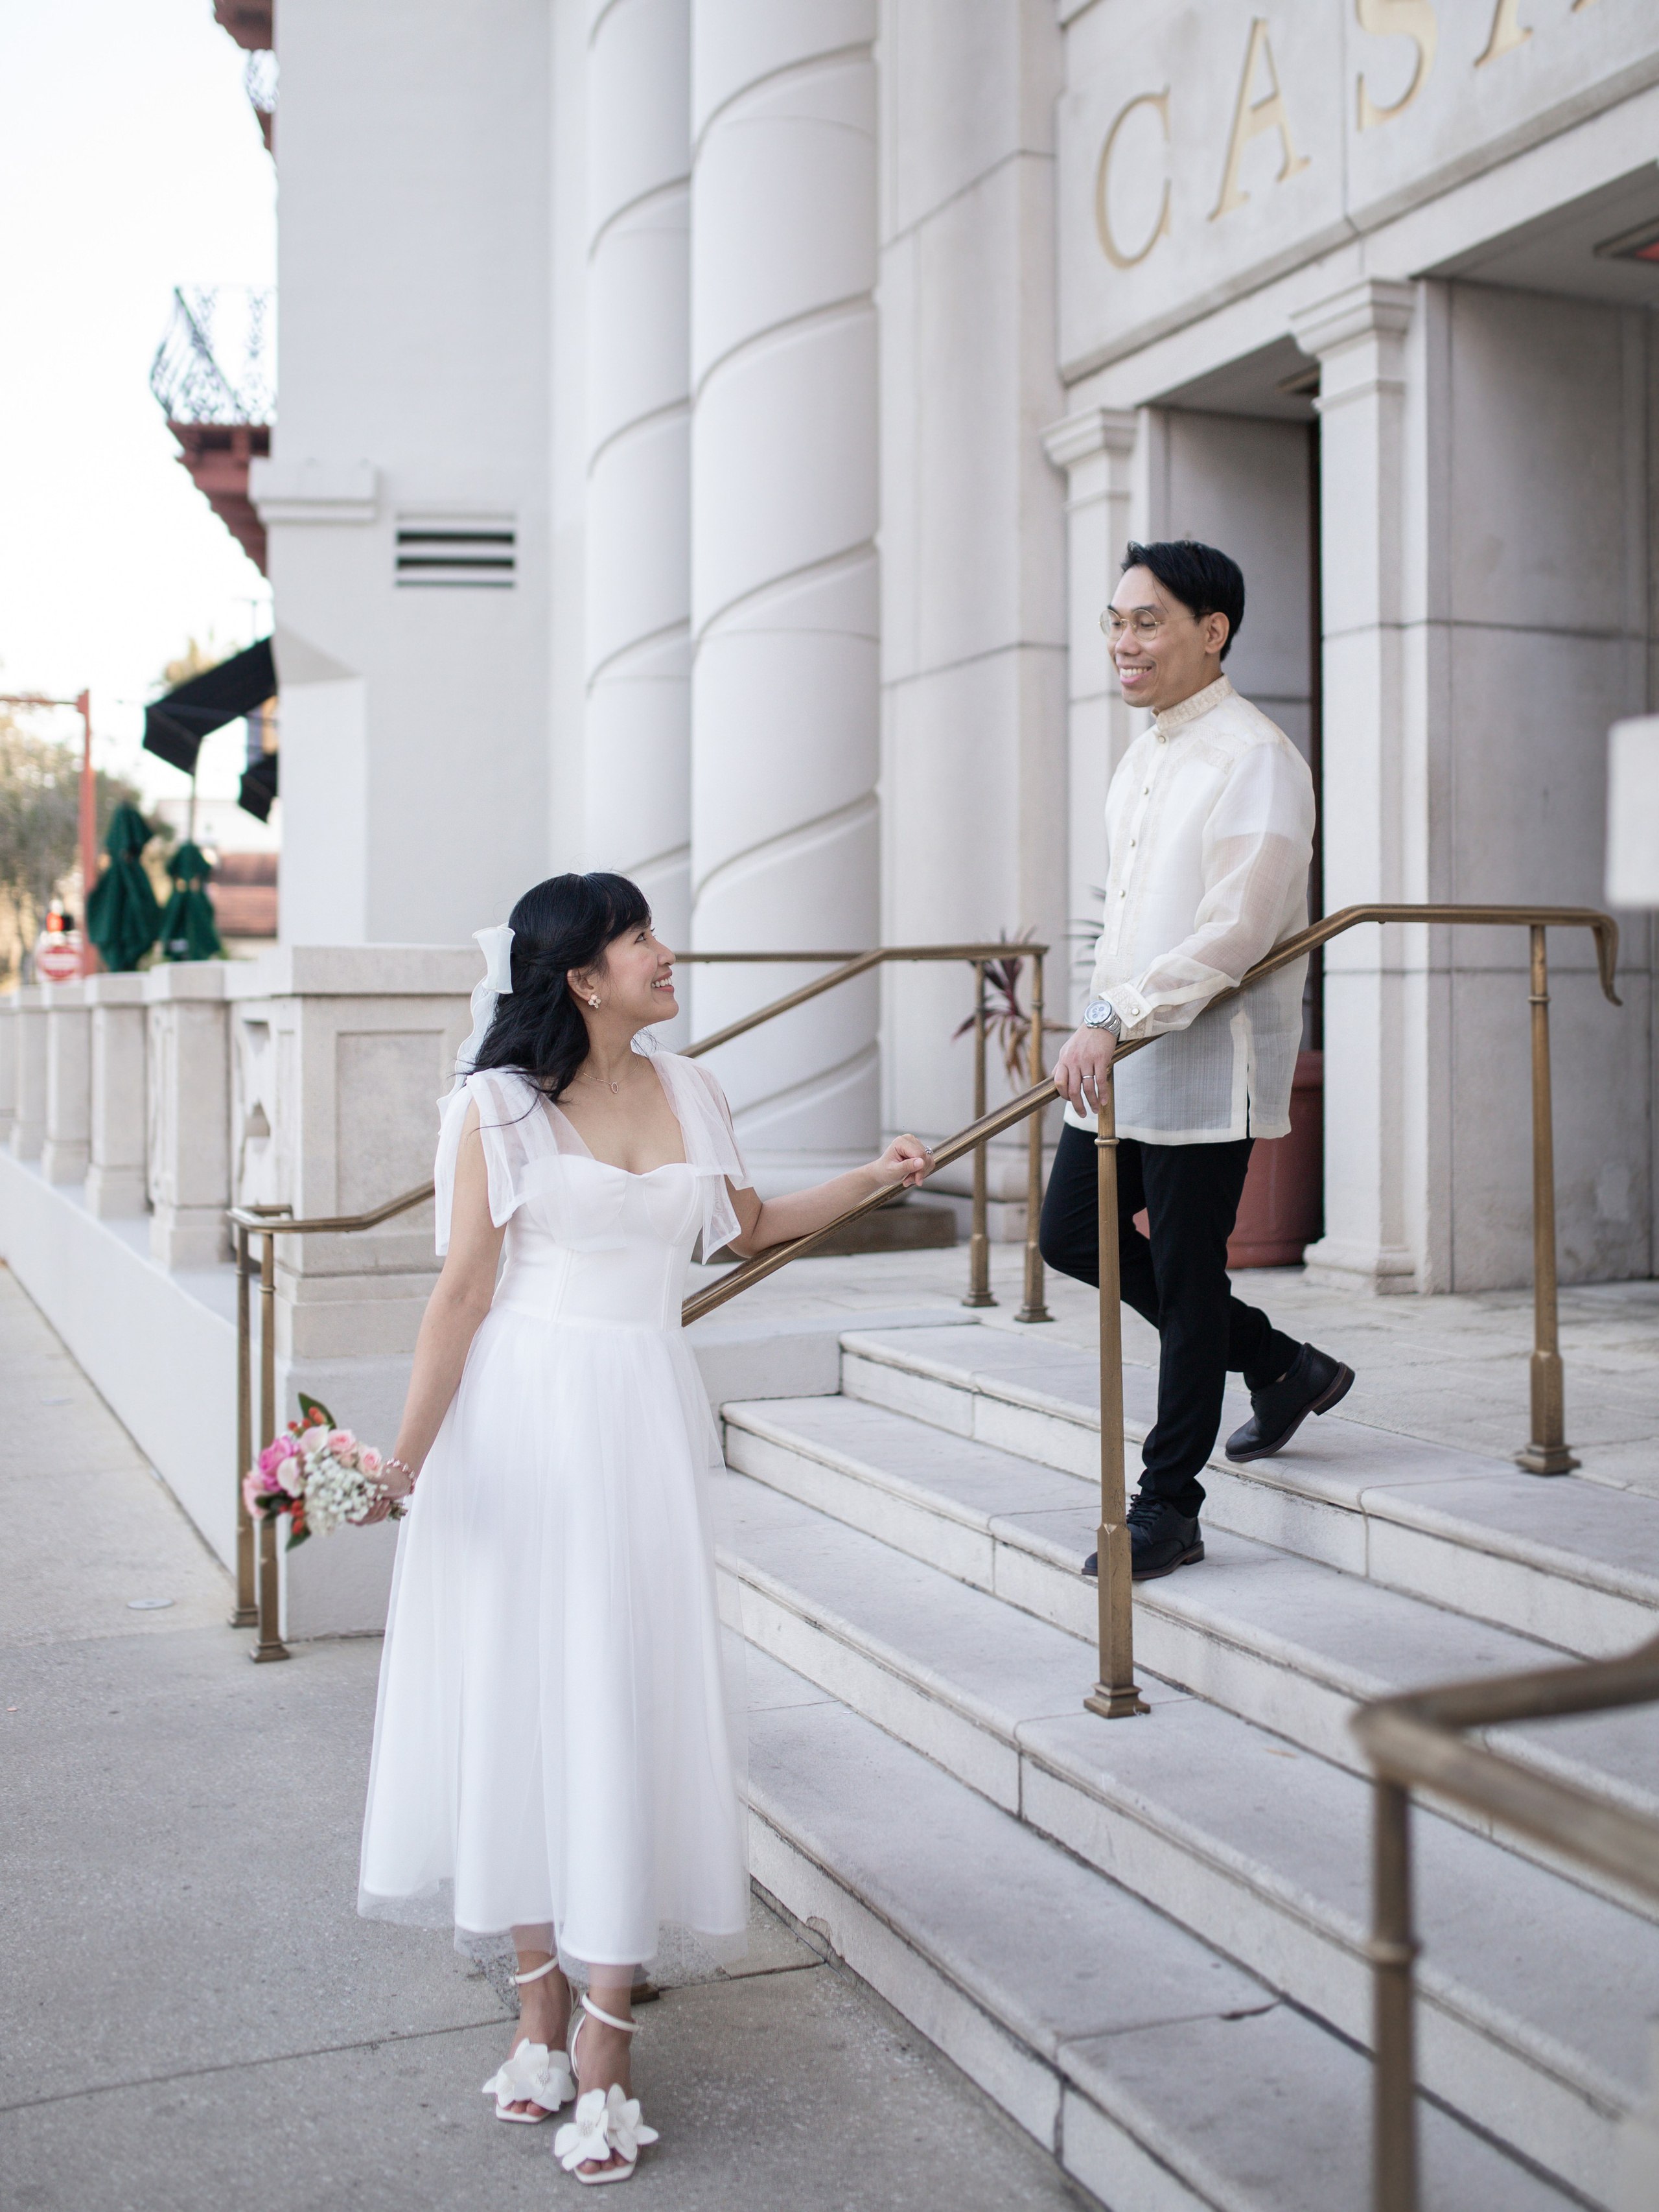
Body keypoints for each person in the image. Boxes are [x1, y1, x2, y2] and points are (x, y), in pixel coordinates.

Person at [355, 872, 933, 2184]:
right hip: (518, 1422)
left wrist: (874, 1176)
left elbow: (745, 1232)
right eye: (636, 938)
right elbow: (460, 1294)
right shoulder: (494, 1107)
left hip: (639, 1417)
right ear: (580, 975)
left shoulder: (694, 1091)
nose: (662, 954)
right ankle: (538, 2016)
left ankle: (609, 2043)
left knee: (619, 1697)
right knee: (520, 1699)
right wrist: (403, 1462)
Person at [1039, 540, 1353, 1583]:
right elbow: (1124, 925)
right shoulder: (1143, 755)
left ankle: (1169, 1505)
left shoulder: (1256, 758)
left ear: (1211, 632)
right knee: (1072, 1236)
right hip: (1124, 1060)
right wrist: (1099, 1015)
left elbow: (1238, 931)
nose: (1124, 643)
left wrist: (1115, 1015)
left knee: (1184, 1271)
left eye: (1147, 621)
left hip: (1206, 1065)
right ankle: (1277, 1361)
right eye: (1116, 622)